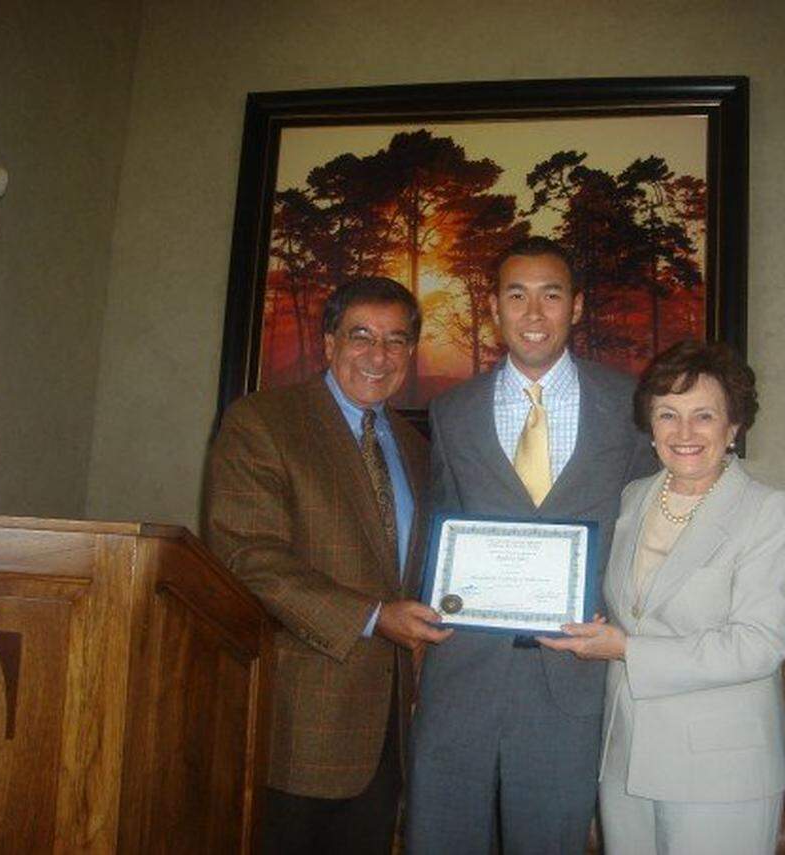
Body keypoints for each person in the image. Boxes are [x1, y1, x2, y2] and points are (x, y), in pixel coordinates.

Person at [404, 236, 658, 855]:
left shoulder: (632, 407)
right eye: (517, 295)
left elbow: (646, 531)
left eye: (551, 294)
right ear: (494, 307)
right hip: (462, 674)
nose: (534, 313)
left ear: (576, 306)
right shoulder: (453, 410)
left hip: (573, 676)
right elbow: (441, 519)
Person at [204, 277, 452, 855]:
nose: (378, 355)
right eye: (360, 336)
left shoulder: (416, 448)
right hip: (302, 720)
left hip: (390, 723)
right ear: (329, 343)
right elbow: (248, 555)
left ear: (410, 353)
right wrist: (372, 616)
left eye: (396, 340)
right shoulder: (263, 421)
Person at [540, 340, 785, 855]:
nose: (684, 433)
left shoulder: (768, 511)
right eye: (668, 415)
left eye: (703, 415)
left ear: (733, 428)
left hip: (720, 770)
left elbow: (758, 646)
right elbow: (623, 603)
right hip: (625, 760)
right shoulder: (632, 498)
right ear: (650, 425)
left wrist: (626, 650)